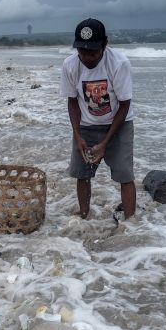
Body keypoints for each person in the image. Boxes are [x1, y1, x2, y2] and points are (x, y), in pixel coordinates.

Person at [60, 18, 136, 220]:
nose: (87, 57)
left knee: (125, 175)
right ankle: (84, 215)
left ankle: (130, 223)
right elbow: (73, 101)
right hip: (86, 125)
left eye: (93, 52)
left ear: (105, 43)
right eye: (82, 52)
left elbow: (124, 104)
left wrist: (105, 143)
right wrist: (78, 136)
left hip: (119, 124)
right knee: (82, 174)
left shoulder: (119, 64)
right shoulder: (70, 65)